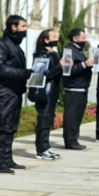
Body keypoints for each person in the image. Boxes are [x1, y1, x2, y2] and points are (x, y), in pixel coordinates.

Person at [0, 15, 30, 174]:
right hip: (4, 92)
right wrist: (23, 73)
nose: (25, 30)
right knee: (3, 128)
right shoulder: (0, 45)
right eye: (23, 26)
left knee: (11, 128)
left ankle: (7, 159)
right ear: (13, 27)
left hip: (15, 91)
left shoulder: (16, 47)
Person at [30, 29, 61, 161]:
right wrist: (59, 66)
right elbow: (41, 75)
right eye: (53, 36)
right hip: (44, 93)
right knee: (43, 120)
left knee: (48, 121)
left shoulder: (53, 54)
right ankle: (41, 150)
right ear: (46, 40)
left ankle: (46, 146)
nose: (56, 38)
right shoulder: (41, 55)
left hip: (52, 92)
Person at [62, 28, 95, 150]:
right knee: (71, 117)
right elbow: (67, 71)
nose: (85, 40)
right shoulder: (68, 51)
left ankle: (74, 139)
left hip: (81, 88)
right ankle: (70, 141)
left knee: (78, 117)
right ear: (75, 38)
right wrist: (84, 64)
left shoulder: (78, 51)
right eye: (83, 38)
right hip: (73, 89)